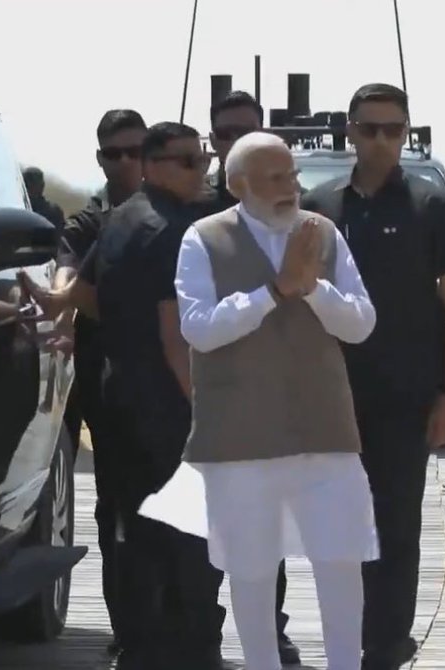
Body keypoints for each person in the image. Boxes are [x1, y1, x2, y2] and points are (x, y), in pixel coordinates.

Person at [20, 122, 226, 669]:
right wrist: (208, 411)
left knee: (132, 531)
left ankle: (138, 644)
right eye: (187, 161)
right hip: (171, 408)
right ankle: (187, 648)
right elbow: (174, 333)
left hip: (118, 400)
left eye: (202, 159)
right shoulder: (177, 231)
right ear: (154, 165)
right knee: (190, 541)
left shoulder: (121, 220)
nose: (201, 170)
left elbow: (85, 297)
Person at [176, 130, 378, 670]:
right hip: (240, 442)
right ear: (239, 185)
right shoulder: (203, 238)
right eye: (274, 179)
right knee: (251, 572)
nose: (290, 187)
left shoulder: (323, 234)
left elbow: (360, 323)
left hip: (325, 434)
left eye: (291, 175)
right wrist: (274, 291)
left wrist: (313, 288)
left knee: (341, 565)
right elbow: (199, 329)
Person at [302, 82, 445, 670]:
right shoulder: (321, 207)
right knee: (334, 532)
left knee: (396, 529)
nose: (381, 141)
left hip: (406, 398)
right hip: (330, 401)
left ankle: (386, 648)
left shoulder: (431, 205)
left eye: (393, 129)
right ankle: (343, 645)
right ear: (350, 132)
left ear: (406, 133)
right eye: (369, 128)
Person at [202, 88, 304, 667]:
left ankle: (271, 627)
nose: (234, 142)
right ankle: (204, 628)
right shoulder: (191, 208)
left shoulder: (292, 209)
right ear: (212, 143)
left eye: (248, 131)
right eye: (225, 134)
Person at [53, 108, 148, 656]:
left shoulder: (181, 213)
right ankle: (128, 632)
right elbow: (67, 269)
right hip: (110, 394)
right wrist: (63, 308)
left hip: (182, 388)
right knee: (117, 510)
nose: (126, 162)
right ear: (100, 159)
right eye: (114, 153)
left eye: (136, 151)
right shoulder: (91, 223)